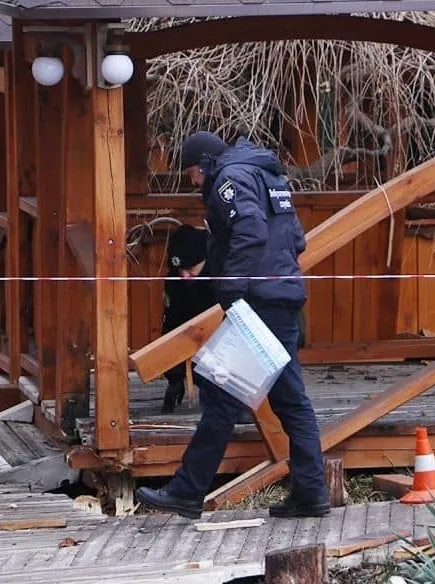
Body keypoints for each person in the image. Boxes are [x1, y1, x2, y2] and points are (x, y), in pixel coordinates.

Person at [136, 131, 329, 520]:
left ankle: (187, 491)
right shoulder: (269, 175)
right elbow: (296, 239)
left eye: (193, 172)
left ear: (206, 163)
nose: (194, 181)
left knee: (222, 397)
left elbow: (251, 230)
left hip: (257, 302)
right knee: (290, 401)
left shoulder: (230, 178)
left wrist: (231, 288)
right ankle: (311, 492)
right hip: (282, 296)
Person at [160, 224, 214, 413]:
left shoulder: (222, 277)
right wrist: (175, 377)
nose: (184, 276)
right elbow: (171, 327)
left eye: (190, 268)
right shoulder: (174, 283)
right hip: (189, 343)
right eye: (180, 270)